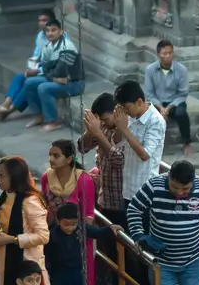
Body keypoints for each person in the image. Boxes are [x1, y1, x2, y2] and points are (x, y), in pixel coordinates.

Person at [126, 160, 199, 285]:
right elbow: (134, 209)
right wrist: (138, 235)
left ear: (193, 181)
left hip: (193, 261)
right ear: (169, 176)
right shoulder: (153, 185)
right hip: (161, 262)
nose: (179, 192)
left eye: (185, 189)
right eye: (175, 187)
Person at [0, 156, 49, 285]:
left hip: (26, 265)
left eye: (1, 176)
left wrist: (13, 239)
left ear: (14, 177)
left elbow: (43, 236)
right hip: (3, 259)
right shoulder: (5, 196)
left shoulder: (30, 201)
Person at [40, 140, 95, 280]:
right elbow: (45, 205)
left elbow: (88, 214)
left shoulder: (83, 179)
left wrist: (80, 236)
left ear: (69, 159)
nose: (51, 159)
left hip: (77, 236)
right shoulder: (47, 177)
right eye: (50, 155)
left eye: (56, 156)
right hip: (54, 236)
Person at [0, 9, 57, 120]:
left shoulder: (58, 39)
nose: (42, 23)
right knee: (20, 77)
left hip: (53, 72)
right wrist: (31, 68)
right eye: (40, 21)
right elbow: (36, 55)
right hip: (41, 67)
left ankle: (9, 110)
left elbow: (55, 64)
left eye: (45, 20)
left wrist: (38, 71)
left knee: (29, 83)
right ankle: (6, 105)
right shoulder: (40, 36)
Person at [21, 19, 85, 132]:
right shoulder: (47, 47)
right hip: (59, 80)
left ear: (61, 32)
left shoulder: (67, 47)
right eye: (48, 31)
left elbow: (61, 71)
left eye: (54, 30)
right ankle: (39, 115)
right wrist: (54, 77)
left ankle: (53, 121)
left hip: (74, 83)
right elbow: (46, 68)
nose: (50, 33)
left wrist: (53, 75)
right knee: (29, 83)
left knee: (44, 88)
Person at [112, 80, 165, 205]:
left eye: (127, 107)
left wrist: (124, 128)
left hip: (145, 190)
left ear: (139, 102)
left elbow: (145, 154)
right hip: (127, 187)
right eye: (122, 107)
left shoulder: (155, 121)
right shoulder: (129, 117)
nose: (125, 111)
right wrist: (119, 126)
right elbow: (116, 142)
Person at [78, 94, 126, 224]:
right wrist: (90, 131)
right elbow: (82, 148)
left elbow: (117, 160)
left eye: (106, 119)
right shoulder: (103, 127)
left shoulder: (126, 130)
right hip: (105, 197)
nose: (104, 123)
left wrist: (98, 134)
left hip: (122, 199)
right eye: (101, 120)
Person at [44, 203, 117, 285]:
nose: (70, 228)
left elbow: (97, 232)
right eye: (66, 225)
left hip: (77, 271)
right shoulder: (52, 235)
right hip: (59, 273)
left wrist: (110, 228)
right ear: (58, 221)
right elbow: (47, 256)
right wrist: (47, 273)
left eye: (73, 224)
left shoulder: (81, 228)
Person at [143, 41, 193, 156]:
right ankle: (151, 144)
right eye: (164, 53)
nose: (168, 56)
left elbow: (183, 93)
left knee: (182, 114)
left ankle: (187, 142)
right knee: (147, 115)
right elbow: (149, 94)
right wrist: (160, 107)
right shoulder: (150, 70)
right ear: (158, 55)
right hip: (157, 102)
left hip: (175, 102)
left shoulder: (181, 70)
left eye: (170, 53)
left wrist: (169, 107)